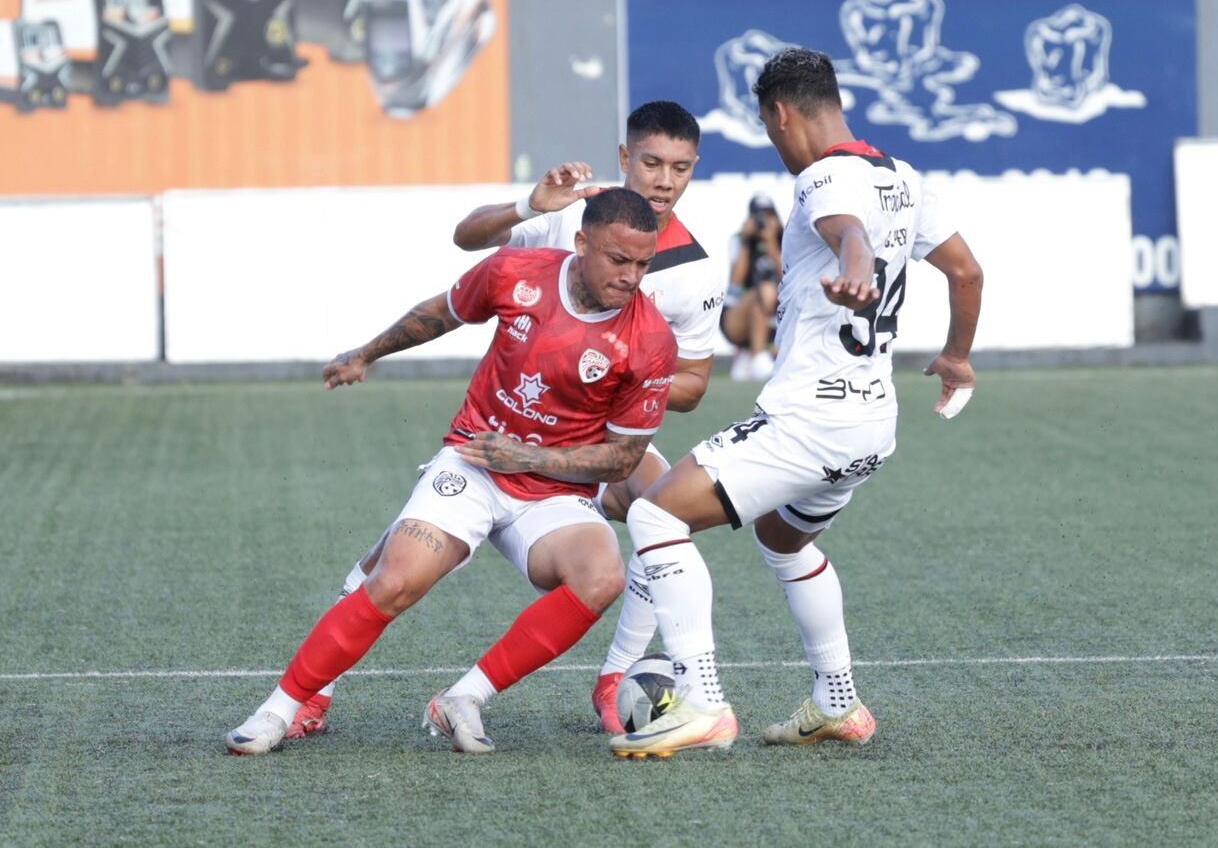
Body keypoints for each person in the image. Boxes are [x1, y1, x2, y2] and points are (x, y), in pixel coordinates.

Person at [283, 101, 723, 739]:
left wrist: (620, 377)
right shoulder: (572, 213)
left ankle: (615, 678)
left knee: (665, 512)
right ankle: (311, 691)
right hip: (513, 425)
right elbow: (467, 240)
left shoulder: (696, 270)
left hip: (603, 440)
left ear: (692, 172)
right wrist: (528, 206)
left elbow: (694, 385)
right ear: (625, 159)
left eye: (678, 168)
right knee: (402, 562)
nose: (662, 180)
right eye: (651, 162)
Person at [608, 47, 984, 758]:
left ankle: (701, 699)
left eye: (767, 126)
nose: (775, 142)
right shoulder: (901, 176)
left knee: (656, 510)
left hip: (811, 419)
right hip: (873, 420)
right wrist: (957, 356)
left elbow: (850, 235)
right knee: (784, 538)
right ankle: (837, 699)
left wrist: (854, 269)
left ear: (780, 113)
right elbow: (966, 271)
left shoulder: (821, 178)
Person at [225, 188, 677, 755]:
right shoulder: (516, 271)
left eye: (643, 262)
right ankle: (279, 710)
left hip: (555, 491)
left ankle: (464, 697)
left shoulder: (652, 339)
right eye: (618, 259)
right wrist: (366, 353)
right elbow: (441, 313)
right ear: (581, 242)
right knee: (394, 581)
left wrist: (529, 459)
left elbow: (622, 459)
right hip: (473, 463)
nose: (632, 276)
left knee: (603, 573)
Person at [722, 193, 783, 381]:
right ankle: (756, 355)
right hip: (739, 316)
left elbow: (788, 278)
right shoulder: (740, 241)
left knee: (769, 291)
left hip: (777, 314)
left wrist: (772, 243)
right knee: (762, 291)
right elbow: (736, 285)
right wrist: (747, 243)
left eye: (768, 215)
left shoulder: (785, 239)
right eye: (758, 216)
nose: (763, 221)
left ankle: (753, 355)